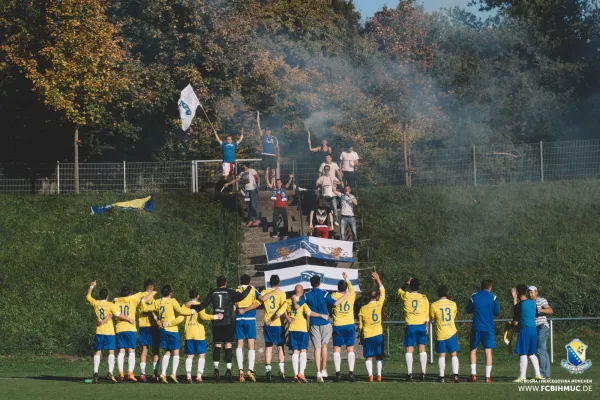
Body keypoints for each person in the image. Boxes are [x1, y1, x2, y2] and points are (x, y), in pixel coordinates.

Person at [189, 276, 254, 382]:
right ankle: (228, 370)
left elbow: (201, 306)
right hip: (228, 322)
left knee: (217, 345)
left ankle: (216, 369)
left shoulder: (213, 293)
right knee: (228, 344)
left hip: (216, 322)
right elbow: (241, 296)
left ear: (217, 283)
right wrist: (249, 288)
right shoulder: (230, 292)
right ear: (226, 283)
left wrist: (191, 307)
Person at [141, 285, 196, 384]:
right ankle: (173, 373)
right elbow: (180, 310)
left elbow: (145, 308)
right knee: (176, 352)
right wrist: (191, 311)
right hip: (172, 330)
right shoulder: (172, 301)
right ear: (170, 293)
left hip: (162, 329)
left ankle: (163, 373)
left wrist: (143, 301)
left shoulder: (157, 302)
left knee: (167, 351)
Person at [86, 280, 134, 384]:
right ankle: (110, 372)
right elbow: (118, 314)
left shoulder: (96, 303)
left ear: (100, 296)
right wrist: (129, 319)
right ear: (107, 296)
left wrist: (92, 286)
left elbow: (88, 296)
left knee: (97, 351)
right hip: (109, 332)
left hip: (99, 331)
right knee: (111, 352)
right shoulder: (110, 305)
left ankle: (95, 372)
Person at [292, 275, 332, 383]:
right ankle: (324, 369)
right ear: (319, 282)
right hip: (324, 322)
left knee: (317, 348)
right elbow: (334, 303)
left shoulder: (307, 295)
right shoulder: (324, 293)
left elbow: (296, 306)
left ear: (310, 284)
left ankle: (318, 372)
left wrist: (293, 299)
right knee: (324, 345)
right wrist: (346, 295)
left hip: (313, 323)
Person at [180, 289, 223, 384]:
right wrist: (216, 316)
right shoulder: (200, 305)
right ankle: (199, 376)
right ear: (198, 296)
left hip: (189, 333)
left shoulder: (185, 305)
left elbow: (181, 315)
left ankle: (188, 375)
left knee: (189, 356)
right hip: (199, 334)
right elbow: (203, 316)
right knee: (201, 355)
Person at [466, 279, 500, 383]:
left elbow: (468, 310)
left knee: (473, 350)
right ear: (490, 287)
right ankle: (487, 377)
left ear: (481, 286)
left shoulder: (474, 296)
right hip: (488, 328)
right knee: (488, 351)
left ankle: (473, 375)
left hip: (477, 327)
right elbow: (497, 312)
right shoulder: (493, 297)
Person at [326, 272, 357, 382]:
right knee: (350, 348)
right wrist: (347, 279)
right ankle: (351, 373)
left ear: (337, 288)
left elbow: (329, 300)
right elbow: (352, 289)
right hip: (349, 324)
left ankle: (338, 373)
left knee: (336, 349)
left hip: (338, 325)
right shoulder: (351, 295)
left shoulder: (334, 296)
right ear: (346, 288)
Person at [258, 275, 290, 383]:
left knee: (268, 347)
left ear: (269, 282)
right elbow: (282, 308)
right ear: (279, 282)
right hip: (277, 323)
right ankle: (281, 370)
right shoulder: (281, 293)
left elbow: (261, 299)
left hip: (268, 323)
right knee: (280, 347)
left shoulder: (264, 292)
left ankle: (268, 370)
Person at [398, 277, 430, 382]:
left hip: (411, 325)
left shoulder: (406, 295)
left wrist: (406, 283)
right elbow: (427, 314)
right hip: (421, 325)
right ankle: (423, 373)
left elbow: (399, 290)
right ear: (419, 287)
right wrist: (427, 325)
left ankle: (409, 373)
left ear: (410, 286)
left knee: (409, 349)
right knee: (422, 349)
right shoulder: (424, 298)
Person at [234, 274, 262, 383]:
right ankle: (250, 370)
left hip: (239, 319)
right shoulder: (253, 289)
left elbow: (233, 306)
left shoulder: (236, 290)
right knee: (251, 344)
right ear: (249, 282)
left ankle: (240, 370)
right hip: (249, 319)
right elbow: (260, 300)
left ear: (241, 281)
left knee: (239, 344)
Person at [512, 284, 543, 382]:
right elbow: (535, 316)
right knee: (531, 353)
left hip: (525, 329)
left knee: (523, 353)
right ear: (526, 292)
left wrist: (512, 325)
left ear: (517, 293)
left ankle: (522, 377)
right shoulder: (533, 303)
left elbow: (516, 321)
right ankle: (538, 375)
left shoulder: (518, 305)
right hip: (533, 329)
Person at [358, 272, 385, 382]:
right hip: (378, 334)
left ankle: (370, 376)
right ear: (377, 297)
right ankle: (379, 376)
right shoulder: (379, 304)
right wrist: (378, 279)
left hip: (368, 334)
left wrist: (360, 336)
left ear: (368, 297)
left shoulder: (363, 309)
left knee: (368, 357)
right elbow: (383, 290)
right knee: (379, 356)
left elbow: (360, 325)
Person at [113, 286, 144, 382]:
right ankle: (130, 372)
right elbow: (142, 294)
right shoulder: (133, 299)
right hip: (130, 328)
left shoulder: (117, 301)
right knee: (131, 351)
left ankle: (121, 373)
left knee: (121, 351)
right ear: (129, 294)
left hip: (119, 328)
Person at [430, 285, 460, 383]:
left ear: (438, 293)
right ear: (447, 293)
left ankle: (441, 376)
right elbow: (454, 316)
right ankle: (455, 375)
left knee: (441, 355)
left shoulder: (434, 305)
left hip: (440, 333)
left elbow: (433, 318)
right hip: (451, 332)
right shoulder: (453, 304)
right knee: (454, 354)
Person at [136, 279, 161, 382]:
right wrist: (157, 319)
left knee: (144, 349)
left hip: (142, 325)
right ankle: (155, 373)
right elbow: (152, 310)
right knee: (155, 350)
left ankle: (142, 373)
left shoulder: (139, 295)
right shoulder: (151, 298)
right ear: (151, 287)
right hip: (152, 326)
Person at [528, 286, 553, 379]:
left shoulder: (541, 300)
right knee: (543, 351)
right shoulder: (528, 302)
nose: (531, 294)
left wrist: (541, 310)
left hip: (542, 326)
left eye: (532, 292)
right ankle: (547, 374)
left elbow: (550, 310)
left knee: (540, 350)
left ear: (536, 292)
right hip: (534, 327)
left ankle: (542, 374)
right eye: (529, 292)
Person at [266, 173, 294, 239]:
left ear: (281, 183)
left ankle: (285, 233)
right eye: (277, 183)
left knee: (285, 220)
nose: (278, 184)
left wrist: (291, 178)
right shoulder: (274, 188)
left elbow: (288, 184)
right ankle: (275, 233)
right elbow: (269, 184)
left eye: (279, 183)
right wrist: (266, 178)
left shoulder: (283, 188)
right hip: (276, 207)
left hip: (283, 207)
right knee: (274, 221)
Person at [257, 111, 280, 182]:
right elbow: (259, 128)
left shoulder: (274, 138)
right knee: (266, 172)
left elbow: (278, 148)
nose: (267, 131)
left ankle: (272, 185)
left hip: (273, 156)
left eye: (268, 130)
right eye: (266, 130)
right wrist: (258, 121)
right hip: (265, 155)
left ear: (270, 131)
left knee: (273, 172)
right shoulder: (263, 137)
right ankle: (267, 185)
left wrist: (278, 156)